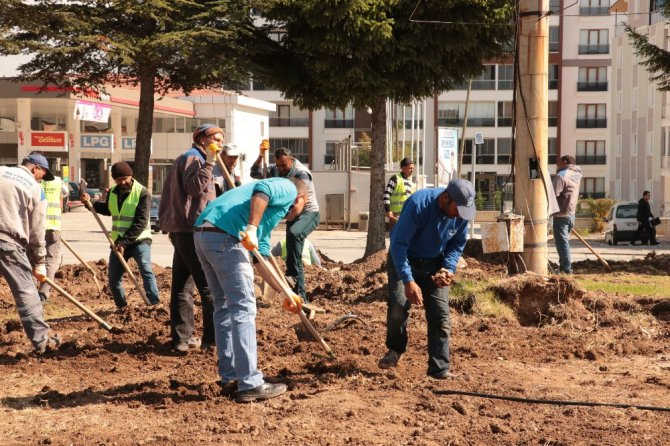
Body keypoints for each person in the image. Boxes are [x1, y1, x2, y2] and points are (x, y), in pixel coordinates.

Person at [193, 177, 306, 403]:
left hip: (204, 235)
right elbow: (263, 189)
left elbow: (261, 259)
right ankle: (250, 383)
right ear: (302, 199)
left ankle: (230, 376)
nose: (292, 216)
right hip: (226, 237)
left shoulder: (265, 214)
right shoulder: (289, 187)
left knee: (224, 307)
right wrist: (251, 228)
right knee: (243, 307)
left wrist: (286, 292)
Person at [378, 179, 476, 380]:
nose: (459, 216)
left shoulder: (462, 211)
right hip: (404, 258)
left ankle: (439, 369)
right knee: (398, 305)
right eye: (457, 210)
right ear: (446, 198)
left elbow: (457, 243)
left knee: (440, 314)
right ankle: (395, 349)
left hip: (435, 262)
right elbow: (398, 245)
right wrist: (408, 280)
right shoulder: (419, 204)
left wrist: (447, 268)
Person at [159, 123, 221, 352]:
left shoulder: (193, 157)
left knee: (182, 286)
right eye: (216, 139)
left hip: (183, 229)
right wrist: (210, 163)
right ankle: (212, 341)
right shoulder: (194, 158)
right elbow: (194, 188)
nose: (219, 144)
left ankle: (182, 340)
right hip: (191, 230)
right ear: (202, 139)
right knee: (208, 287)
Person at [0, 154, 61, 354]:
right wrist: (40, 260)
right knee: (26, 292)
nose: (42, 179)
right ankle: (43, 342)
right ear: (35, 168)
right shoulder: (36, 189)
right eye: (43, 174)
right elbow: (37, 231)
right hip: (8, 243)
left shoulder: (1, 171)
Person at [81, 162, 160, 309]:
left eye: (125, 178)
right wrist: (89, 202)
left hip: (139, 240)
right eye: (118, 180)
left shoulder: (142, 192)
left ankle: (154, 304)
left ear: (130, 176)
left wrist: (124, 242)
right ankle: (122, 308)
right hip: (117, 241)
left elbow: (140, 222)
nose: (122, 182)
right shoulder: (113, 192)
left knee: (146, 269)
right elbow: (108, 209)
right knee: (113, 278)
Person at [250, 146, 320, 302]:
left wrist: (278, 217)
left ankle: (298, 289)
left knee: (295, 235)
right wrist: (261, 156)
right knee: (291, 251)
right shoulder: (275, 169)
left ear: (292, 160)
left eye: (284, 165)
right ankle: (294, 288)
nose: (281, 169)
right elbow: (254, 173)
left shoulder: (302, 174)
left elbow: (299, 204)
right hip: (290, 214)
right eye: (278, 165)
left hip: (307, 213)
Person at [29, 151, 65, 302]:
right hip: (53, 227)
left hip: (35, 227)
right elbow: (61, 203)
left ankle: (30, 294)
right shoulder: (58, 181)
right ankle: (43, 294)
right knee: (51, 261)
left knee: (32, 261)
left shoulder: (33, 182)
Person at [551, 155, 582, 274]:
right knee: (564, 243)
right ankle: (563, 267)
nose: (558, 166)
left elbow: (553, 195)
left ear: (564, 162)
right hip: (571, 214)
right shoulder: (577, 175)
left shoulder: (561, 176)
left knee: (562, 244)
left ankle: (566, 270)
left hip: (561, 214)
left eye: (559, 163)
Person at [383, 157, 416, 228]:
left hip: (408, 214)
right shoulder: (395, 179)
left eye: (413, 168)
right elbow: (386, 195)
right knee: (397, 237)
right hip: (396, 215)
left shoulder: (412, 182)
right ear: (403, 168)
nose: (412, 170)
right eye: (410, 168)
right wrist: (388, 210)